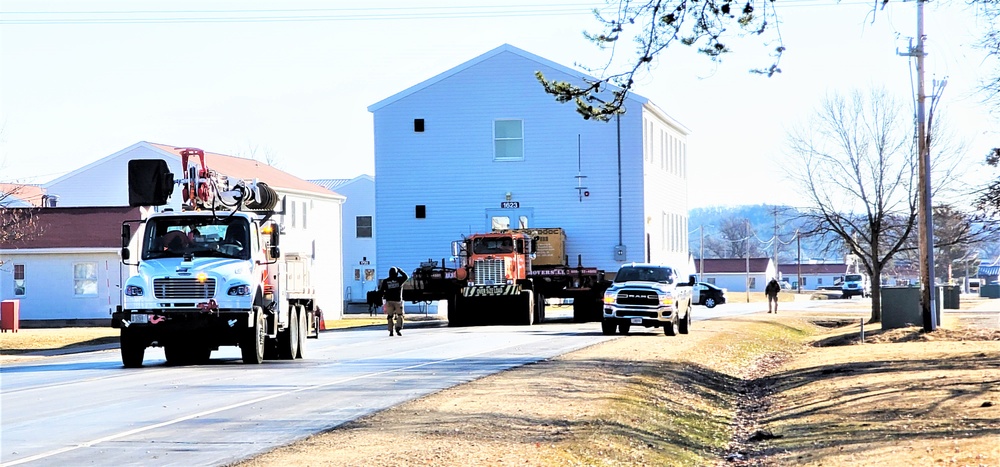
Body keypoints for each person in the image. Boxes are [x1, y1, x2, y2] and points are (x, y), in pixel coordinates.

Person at [378, 267, 408, 336]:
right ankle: (398, 328)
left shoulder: (385, 281)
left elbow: (381, 291)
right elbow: (406, 276)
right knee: (400, 315)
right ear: (396, 273)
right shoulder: (399, 280)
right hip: (398, 301)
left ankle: (391, 331)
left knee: (390, 316)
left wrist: (382, 299)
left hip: (389, 301)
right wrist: (400, 270)